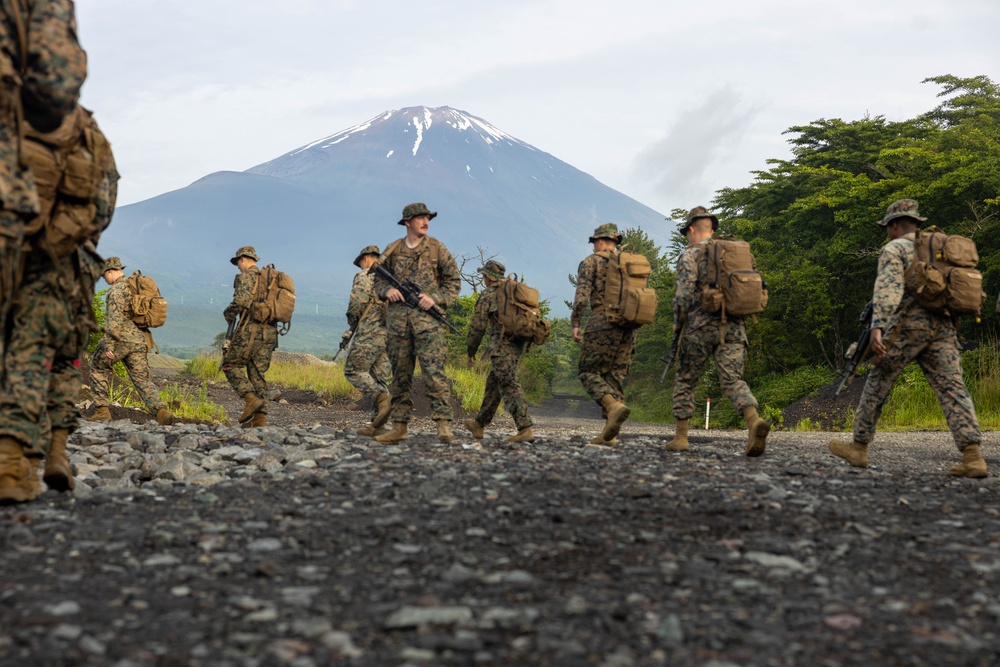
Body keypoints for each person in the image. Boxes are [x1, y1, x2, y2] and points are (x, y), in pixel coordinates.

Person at [0, 1, 89, 503]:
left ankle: (27, 459)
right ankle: (24, 461)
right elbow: (56, 81)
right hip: (37, 240)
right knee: (39, 352)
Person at [829, 199, 987, 477]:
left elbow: (888, 291)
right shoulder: (938, 248)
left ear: (893, 225)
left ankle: (859, 447)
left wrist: (877, 327)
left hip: (907, 328)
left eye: (886, 227)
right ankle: (973, 457)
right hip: (944, 327)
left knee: (878, 381)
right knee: (953, 389)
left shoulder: (894, 248)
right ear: (917, 223)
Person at [666, 206, 770, 456]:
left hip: (699, 328)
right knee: (733, 379)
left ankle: (681, 437)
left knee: (686, 378)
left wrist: (678, 323)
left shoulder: (690, 254)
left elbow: (683, 297)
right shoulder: (733, 252)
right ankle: (754, 420)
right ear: (712, 228)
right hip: (735, 326)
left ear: (691, 229)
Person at [372, 203, 460, 444]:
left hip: (429, 326)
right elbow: (377, 281)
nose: (426, 222)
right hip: (398, 326)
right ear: (407, 222)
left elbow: (453, 282)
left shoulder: (437, 249)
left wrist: (436, 298)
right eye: (420, 218)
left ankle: (443, 426)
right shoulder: (393, 250)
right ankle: (399, 427)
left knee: (434, 374)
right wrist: (387, 290)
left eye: (427, 218)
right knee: (400, 376)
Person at [88, 257, 174, 426]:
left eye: (104, 275)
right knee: (142, 379)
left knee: (98, 366)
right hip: (138, 340)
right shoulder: (132, 287)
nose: (104, 279)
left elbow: (114, 320)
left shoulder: (116, 291)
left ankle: (101, 411)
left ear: (110, 271)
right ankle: (161, 411)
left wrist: (109, 345)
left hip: (120, 339)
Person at [572, 223, 637, 445]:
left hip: (603, 320)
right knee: (615, 376)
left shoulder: (591, 262)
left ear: (599, 241)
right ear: (614, 241)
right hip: (629, 323)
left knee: (588, 371)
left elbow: (582, 297)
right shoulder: (628, 262)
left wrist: (576, 323)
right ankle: (609, 436)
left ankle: (612, 406)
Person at [463, 260, 535, 443]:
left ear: (487, 277)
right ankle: (479, 424)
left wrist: (471, 351)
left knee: (508, 383)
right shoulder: (513, 292)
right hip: (517, 343)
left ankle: (524, 428)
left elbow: (477, 326)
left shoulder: (489, 295)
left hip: (500, 345)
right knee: (494, 383)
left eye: (483, 276)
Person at [222, 245, 278, 428]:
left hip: (250, 331)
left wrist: (228, 313)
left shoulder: (246, 277)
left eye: (238, 262)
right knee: (257, 373)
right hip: (270, 333)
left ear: (244, 259)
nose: (238, 266)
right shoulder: (269, 279)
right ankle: (260, 419)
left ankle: (250, 399)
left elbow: (240, 301)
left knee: (229, 364)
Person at [344, 244, 391, 437]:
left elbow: (357, 302)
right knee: (378, 376)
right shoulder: (392, 278)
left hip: (371, 330)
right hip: (393, 333)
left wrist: (351, 322)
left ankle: (383, 399)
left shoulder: (366, 275)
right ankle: (377, 426)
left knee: (353, 370)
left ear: (366, 259)